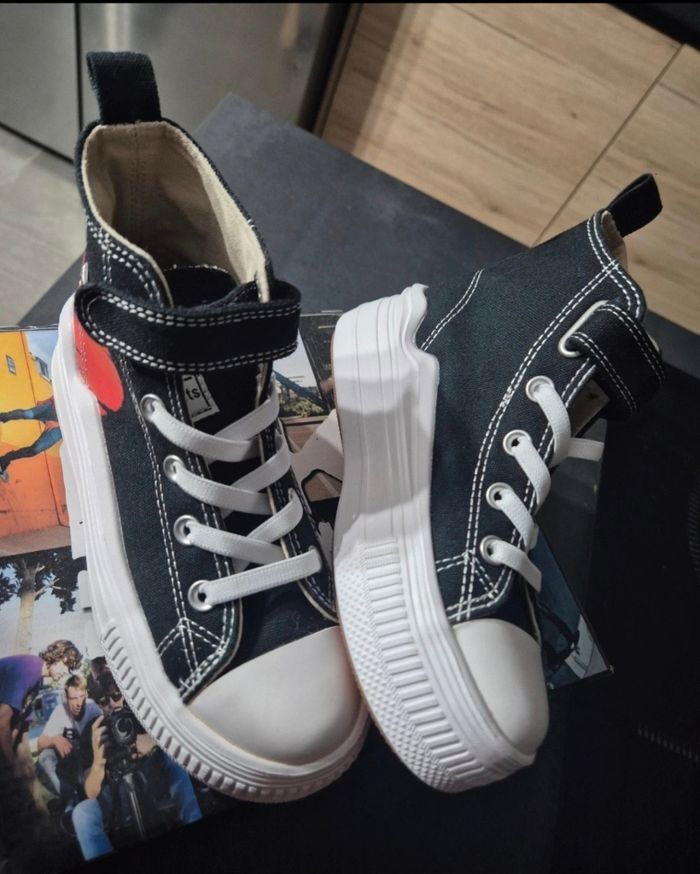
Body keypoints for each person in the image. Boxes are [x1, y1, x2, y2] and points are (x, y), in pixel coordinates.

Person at [71, 668, 202, 861]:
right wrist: (98, 763)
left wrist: (152, 740)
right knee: (82, 813)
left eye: (116, 695)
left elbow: (175, 736)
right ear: (97, 703)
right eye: (103, 700)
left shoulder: (141, 715)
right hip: (115, 798)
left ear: (125, 693)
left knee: (172, 761)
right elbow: (90, 792)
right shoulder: (94, 731)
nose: (112, 704)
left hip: (150, 784)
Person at [0, 640, 82, 842]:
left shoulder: (37, 681)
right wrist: (12, 764)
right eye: (65, 665)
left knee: (25, 773)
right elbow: (2, 723)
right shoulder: (30, 668)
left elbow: (19, 726)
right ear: (55, 657)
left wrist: (23, 762)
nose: (66, 673)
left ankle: (42, 830)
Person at [36, 674, 101, 804]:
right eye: (74, 698)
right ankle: (71, 797)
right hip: (71, 759)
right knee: (45, 757)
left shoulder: (93, 708)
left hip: (90, 757)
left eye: (82, 697)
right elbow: (40, 743)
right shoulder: (60, 711)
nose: (78, 703)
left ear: (86, 694)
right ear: (66, 697)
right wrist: (55, 740)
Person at [0, 396, 62, 479]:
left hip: (62, 428)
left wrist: (59, 424)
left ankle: (2, 461)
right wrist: (45, 401)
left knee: (35, 449)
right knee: (27, 414)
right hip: (52, 409)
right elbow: (62, 393)